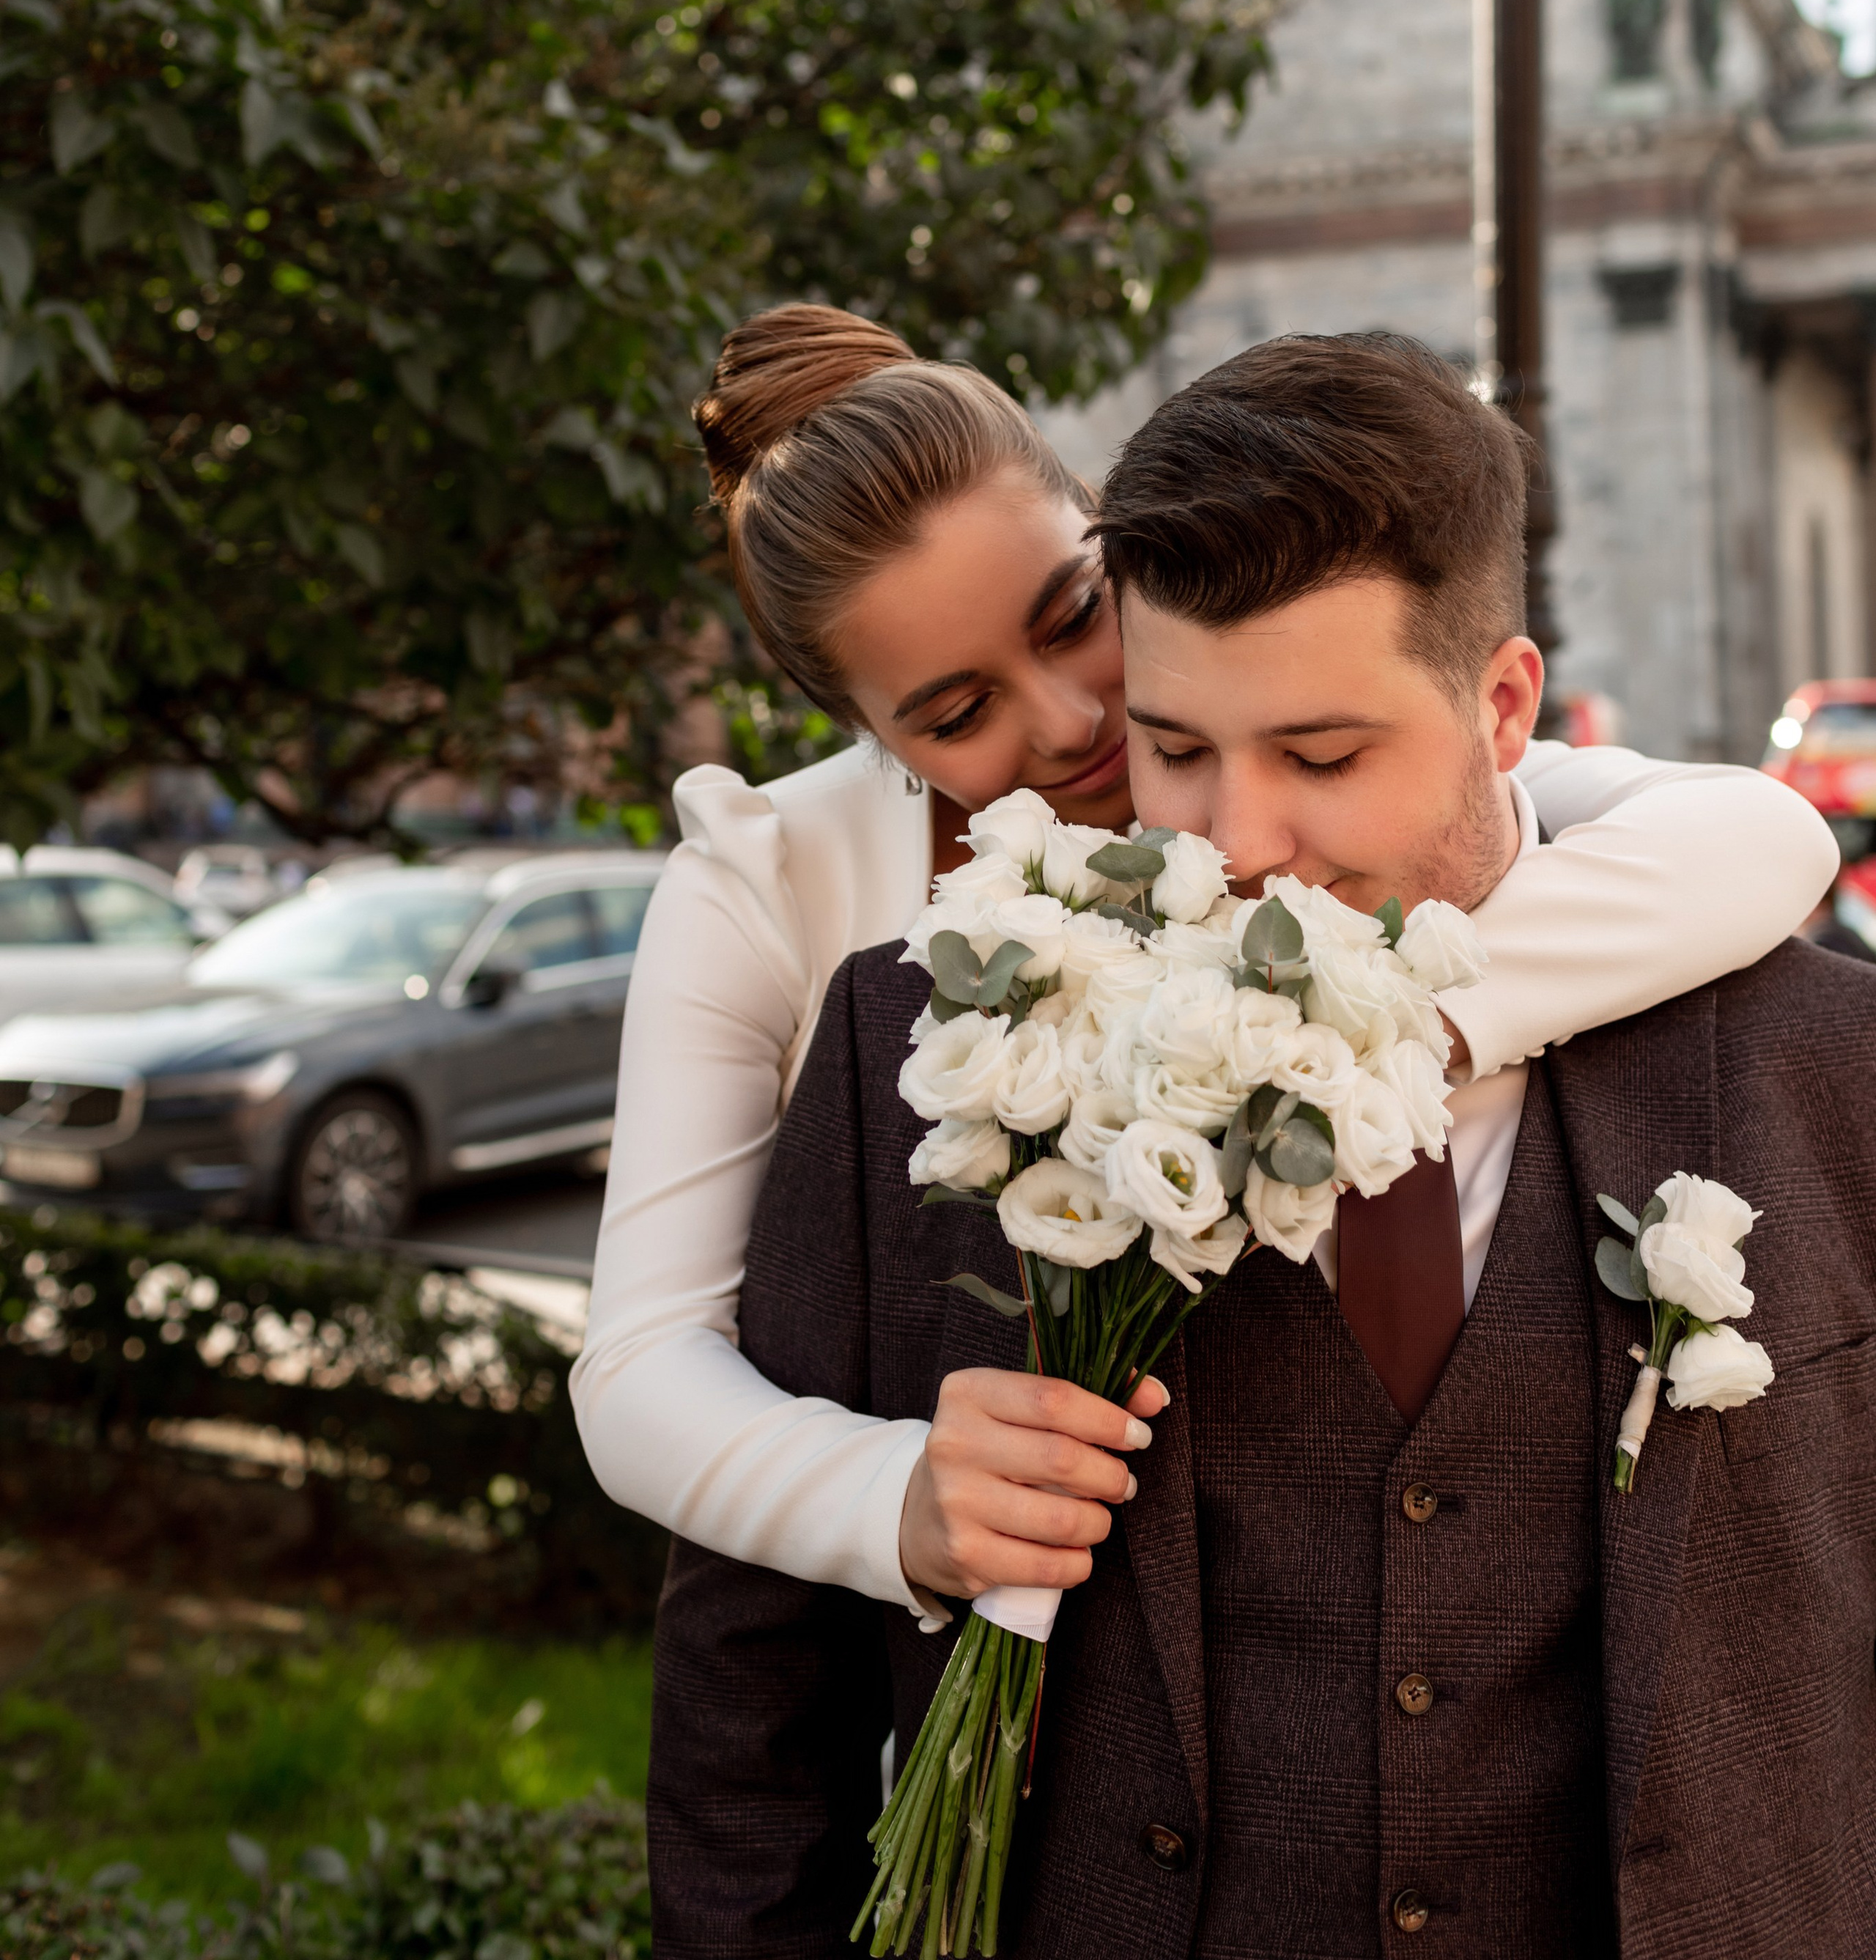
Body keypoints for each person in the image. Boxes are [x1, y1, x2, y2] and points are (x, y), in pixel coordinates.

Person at [647, 333, 1876, 1960]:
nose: (1230, 848)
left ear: (1503, 707)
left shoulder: (1818, 1061)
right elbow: (753, 1704)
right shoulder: (910, 1051)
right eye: (1170, 748)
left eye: (1319, 758)